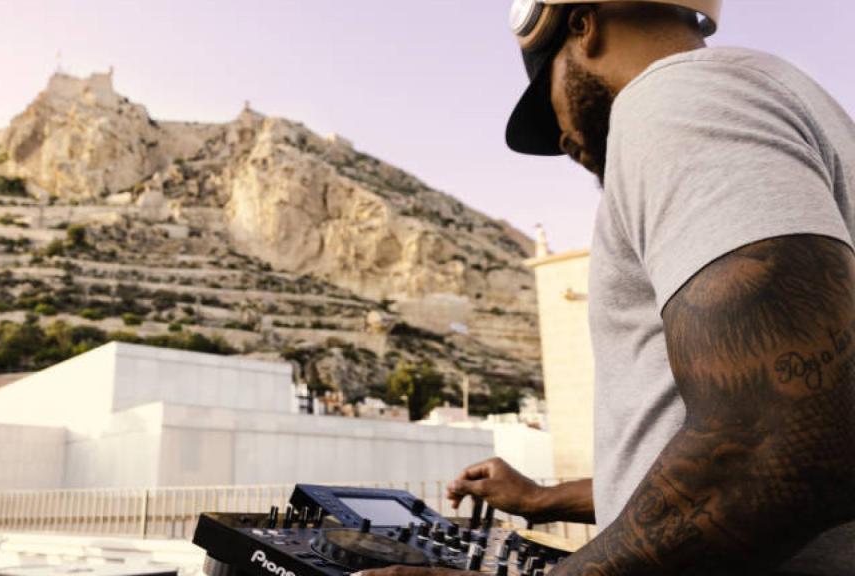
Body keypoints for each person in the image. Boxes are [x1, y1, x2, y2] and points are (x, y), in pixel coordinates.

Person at [362, 1, 855, 574]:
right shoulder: (785, 101)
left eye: (546, 92)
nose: (561, 138)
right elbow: (743, 455)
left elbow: (779, 442)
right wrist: (543, 499)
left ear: (583, 24)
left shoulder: (676, 100)